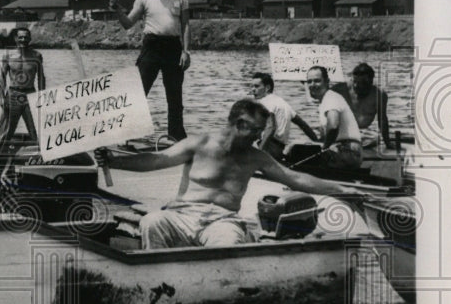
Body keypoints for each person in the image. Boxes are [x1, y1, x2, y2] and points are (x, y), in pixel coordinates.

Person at [95, 99, 353, 249]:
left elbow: (294, 177)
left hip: (223, 220)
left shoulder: (256, 156)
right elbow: (156, 160)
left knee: (228, 242)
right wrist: (114, 161)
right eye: (256, 130)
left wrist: (340, 190)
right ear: (240, 124)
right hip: (182, 215)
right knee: (152, 221)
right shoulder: (200, 143)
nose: (262, 136)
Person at [109, 0, 190, 141]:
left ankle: (176, 136)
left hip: (173, 48)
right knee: (138, 92)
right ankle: (128, 135)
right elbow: (128, 23)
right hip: (151, 47)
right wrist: (117, 10)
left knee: (175, 96)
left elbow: (186, 25)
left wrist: (186, 51)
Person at [247, 72, 317, 160]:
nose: (253, 89)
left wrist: (260, 152)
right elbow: (303, 125)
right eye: (252, 86)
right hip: (279, 150)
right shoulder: (283, 103)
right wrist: (318, 143)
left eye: (256, 86)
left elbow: (271, 127)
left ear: (267, 88)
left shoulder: (266, 102)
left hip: (269, 148)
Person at [304, 66, 363, 169]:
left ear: (327, 81)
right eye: (309, 82)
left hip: (348, 151)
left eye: (317, 81)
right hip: (349, 151)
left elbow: (333, 126)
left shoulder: (330, 98)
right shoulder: (326, 100)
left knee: (299, 156)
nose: (312, 85)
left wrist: (324, 149)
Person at [0, 26, 45, 143]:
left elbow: (41, 78)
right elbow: (2, 78)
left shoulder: (36, 56)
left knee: (34, 129)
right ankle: (1, 153)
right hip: (13, 95)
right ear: (15, 39)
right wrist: (1, 98)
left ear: (30, 38)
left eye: (25, 37)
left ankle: (38, 154)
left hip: (30, 95)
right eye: (20, 37)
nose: (23, 40)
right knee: (7, 130)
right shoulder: (8, 55)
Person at [333, 62, 392, 149]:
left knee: (376, 138)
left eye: (363, 83)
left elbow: (382, 120)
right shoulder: (339, 90)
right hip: (339, 134)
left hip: (362, 134)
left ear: (371, 82)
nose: (357, 86)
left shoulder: (379, 95)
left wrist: (388, 144)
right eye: (355, 82)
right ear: (352, 79)